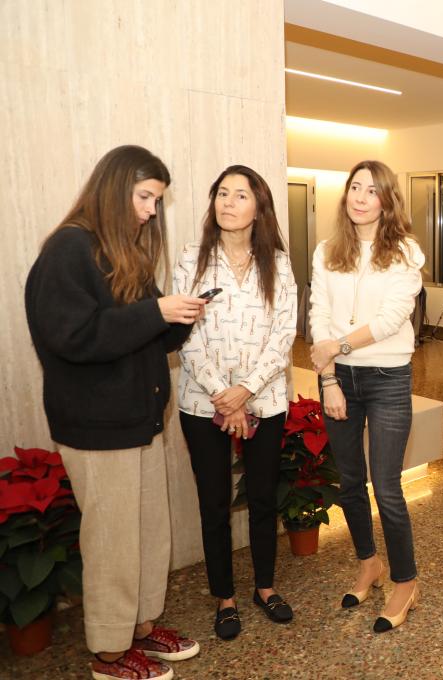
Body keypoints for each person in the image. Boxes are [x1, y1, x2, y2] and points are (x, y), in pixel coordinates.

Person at [24, 145, 203, 680]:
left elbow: (141, 333)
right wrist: (156, 312)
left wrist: (178, 318)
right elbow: (74, 337)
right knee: (113, 542)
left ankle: (140, 628)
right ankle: (108, 651)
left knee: (147, 533)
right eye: (145, 197)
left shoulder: (122, 251)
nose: (151, 211)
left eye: (157, 201)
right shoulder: (68, 249)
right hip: (97, 426)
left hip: (137, 420)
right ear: (114, 187)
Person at [175, 165, 297, 640]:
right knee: (214, 502)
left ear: (259, 207)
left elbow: (284, 335)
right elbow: (185, 335)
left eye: (240, 195)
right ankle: (224, 598)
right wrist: (223, 398)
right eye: (222, 193)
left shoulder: (278, 264)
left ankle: (265, 587)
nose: (228, 202)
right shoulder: (192, 259)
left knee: (263, 496)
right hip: (202, 401)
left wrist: (245, 390)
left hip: (264, 398)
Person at [308, 160, 424, 633]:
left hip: (387, 377)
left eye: (371, 190)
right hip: (339, 379)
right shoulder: (326, 251)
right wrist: (329, 378)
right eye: (355, 187)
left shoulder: (405, 253)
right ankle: (368, 563)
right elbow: (317, 314)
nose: (360, 197)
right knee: (350, 482)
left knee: (388, 487)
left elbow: (392, 318)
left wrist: (336, 347)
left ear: (387, 200)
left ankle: (405, 582)